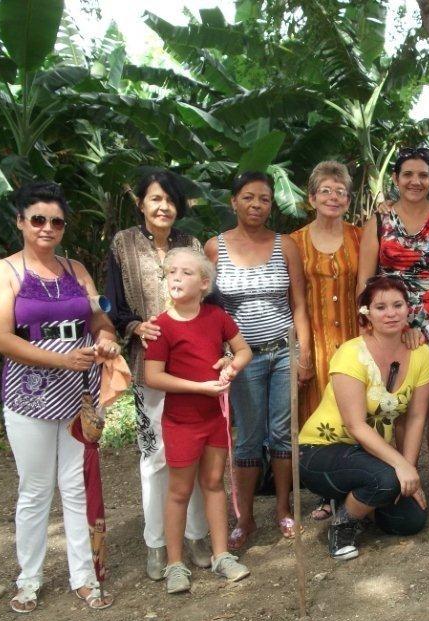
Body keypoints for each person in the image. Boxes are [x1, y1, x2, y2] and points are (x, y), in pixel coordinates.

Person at [0, 181, 120, 612]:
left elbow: (98, 319)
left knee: (76, 486)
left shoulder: (75, 269)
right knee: (36, 488)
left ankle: (84, 577)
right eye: (38, 219)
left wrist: (107, 339)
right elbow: (1, 338)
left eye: (56, 222)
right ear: (20, 222)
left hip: (79, 394)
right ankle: (29, 579)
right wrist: (60, 360)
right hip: (29, 395)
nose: (47, 228)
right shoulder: (4, 272)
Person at [105, 169, 213, 581]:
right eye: (155, 199)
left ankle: (196, 535)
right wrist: (135, 326)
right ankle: (156, 543)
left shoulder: (191, 244)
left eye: (169, 199)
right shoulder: (123, 244)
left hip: (195, 368)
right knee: (155, 457)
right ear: (141, 204)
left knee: (197, 454)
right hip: (149, 367)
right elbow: (113, 304)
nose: (163, 206)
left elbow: (210, 299)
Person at [358, 147, 429, 510]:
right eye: (408, 174)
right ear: (396, 179)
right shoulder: (380, 220)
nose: (415, 181)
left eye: (423, 175)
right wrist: (370, 324)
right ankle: (398, 478)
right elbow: (365, 279)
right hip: (392, 322)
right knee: (396, 403)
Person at [205, 171, 312, 548]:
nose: (256, 205)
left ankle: (283, 509)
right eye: (248, 197)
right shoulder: (215, 248)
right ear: (234, 201)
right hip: (241, 358)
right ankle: (245, 517)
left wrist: (304, 353)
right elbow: (210, 310)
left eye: (264, 199)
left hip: (283, 352)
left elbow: (299, 305)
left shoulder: (286, 245)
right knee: (249, 436)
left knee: (283, 433)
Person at [298, 276, 429, 560]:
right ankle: (343, 525)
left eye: (397, 305)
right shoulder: (351, 353)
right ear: (367, 314)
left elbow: (416, 417)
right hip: (321, 449)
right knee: (386, 479)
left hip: (368, 454)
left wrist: (410, 473)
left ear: (408, 309)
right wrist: (400, 466)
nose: (390, 313)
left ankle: (353, 498)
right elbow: (355, 425)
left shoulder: (421, 354)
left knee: (410, 520)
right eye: (381, 307)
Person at [144, 247, 253, 593]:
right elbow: (153, 377)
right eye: (171, 272)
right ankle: (175, 564)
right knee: (179, 490)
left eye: (186, 272)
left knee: (214, 483)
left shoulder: (217, 316)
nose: (177, 277)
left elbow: (244, 350)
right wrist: (199, 388)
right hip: (181, 421)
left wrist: (231, 366)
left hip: (215, 418)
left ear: (205, 283)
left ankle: (222, 556)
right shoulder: (160, 327)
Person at [288, 161, 361, 521]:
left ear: (348, 199)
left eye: (340, 191)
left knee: (357, 411)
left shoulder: (361, 237)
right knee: (316, 412)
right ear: (312, 197)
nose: (333, 197)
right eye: (326, 191)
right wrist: (301, 353)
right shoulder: (294, 242)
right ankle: (323, 491)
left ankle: (356, 485)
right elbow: (292, 300)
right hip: (313, 343)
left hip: (354, 339)